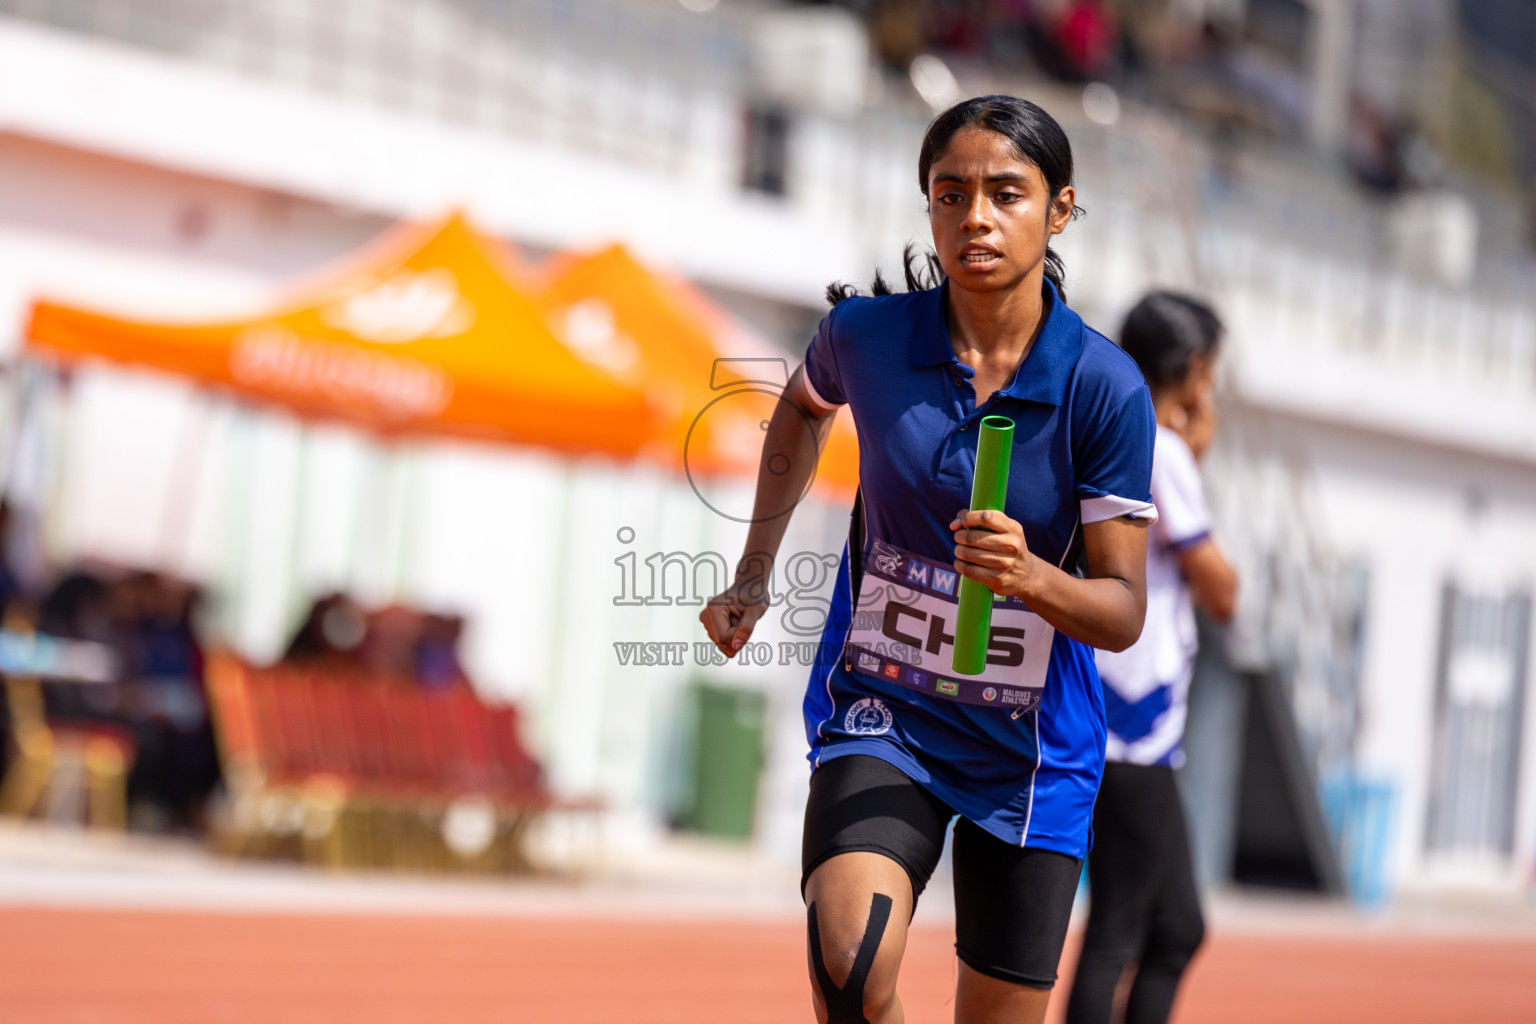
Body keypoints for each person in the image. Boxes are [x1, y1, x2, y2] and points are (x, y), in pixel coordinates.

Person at [702, 95, 1158, 1024]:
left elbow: (1122, 613)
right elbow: (800, 405)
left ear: (1060, 209)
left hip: (1030, 759)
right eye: (951, 195)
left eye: (1006, 193)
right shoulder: (866, 338)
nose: (976, 217)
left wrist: (1031, 576)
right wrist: (755, 568)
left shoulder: (1101, 388)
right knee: (849, 965)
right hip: (886, 711)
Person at [1064, 293, 1239, 1024]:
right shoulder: (1162, 450)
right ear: (1196, 370)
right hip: (1131, 727)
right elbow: (1222, 591)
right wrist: (1199, 446)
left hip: (1123, 715)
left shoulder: (1130, 434)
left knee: (1174, 927)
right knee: (1123, 926)